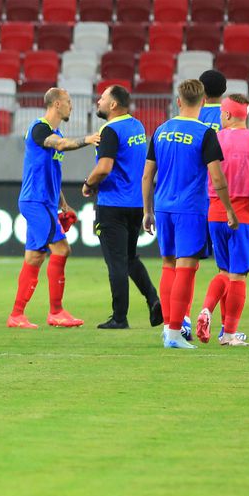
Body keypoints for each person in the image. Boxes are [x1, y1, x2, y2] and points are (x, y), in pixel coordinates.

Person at [143, 79, 238, 350]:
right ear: (204, 102)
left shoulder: (160, 130)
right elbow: (217, 178)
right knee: (186, 267)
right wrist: (228, 209)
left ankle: (167, 328)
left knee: (167, 265)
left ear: (178, 101)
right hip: (191, 209)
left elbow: (148, 174)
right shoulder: (206, 133)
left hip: (162, 206)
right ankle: (174, 333)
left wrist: (147, 210)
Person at [194, 94, 249, 346]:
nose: (220, 116)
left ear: (229, 115)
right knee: (238, 275)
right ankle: (229, 333)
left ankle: (207, 311)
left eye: (222, 112)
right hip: (243, 214)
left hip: (215, 212)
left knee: (223, 271)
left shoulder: (214, 139)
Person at [9, 88, 100, 329]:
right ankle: (56, 311)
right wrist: (87, 140)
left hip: (45, 202)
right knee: (61, 249)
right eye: (69, 102)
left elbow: (51, 173)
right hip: (35, 202)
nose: (71, 106)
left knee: (35, 257)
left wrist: (62, 203)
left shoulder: (55, 131)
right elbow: (59, 145)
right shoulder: (40, 128)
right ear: (57, 104)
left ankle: (17, 315)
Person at [81, 85, 162, 330]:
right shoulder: (137, 126)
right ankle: (153, 299)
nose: (98, 101)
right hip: (137, 204)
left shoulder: (110, 130)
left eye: (103, 98)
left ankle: (119, 317)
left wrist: (88, 183)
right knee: (129, 258)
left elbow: (105, 167)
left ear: (113, 105)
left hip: (113, 204)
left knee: (116, 262)